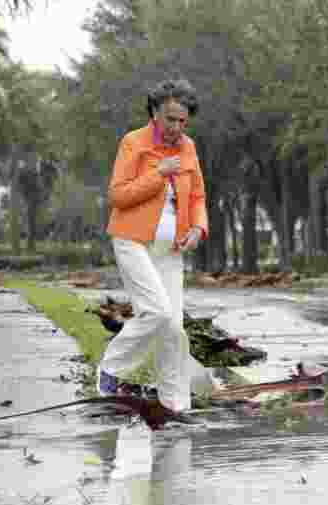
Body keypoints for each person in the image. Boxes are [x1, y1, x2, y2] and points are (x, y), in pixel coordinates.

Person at [97, 79, 208, 413]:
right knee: (156, 312)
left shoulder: (188, 147)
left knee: (173, 328)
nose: (177, 127)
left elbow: (199, 196)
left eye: (183, 121)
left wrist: (199, 228)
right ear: (155, 112)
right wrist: (158, 173)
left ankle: (174, 405)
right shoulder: (134, 143)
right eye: (171, 118)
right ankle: (112, 369)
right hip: (133, 241)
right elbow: (118, 195)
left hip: (171, 249)